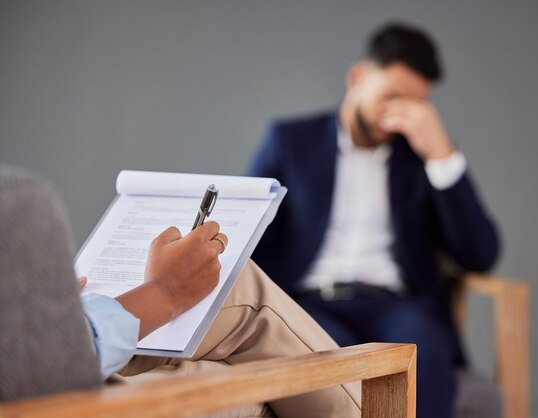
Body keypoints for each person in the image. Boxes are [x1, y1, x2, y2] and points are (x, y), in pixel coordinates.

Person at [247, 22, 500, 418]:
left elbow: (480, 254)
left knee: (422, 351)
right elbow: (247, 234)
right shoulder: (291, 141)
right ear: (358, 78)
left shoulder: (421, 154)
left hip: (396, 305)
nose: (398, 115)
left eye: (414, 105)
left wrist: (442, 156)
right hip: (312, 304)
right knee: (329, 361)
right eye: (390, 96)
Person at [0, 164, 360, 418]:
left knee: (235, 379)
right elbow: (44, 368)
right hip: (47, 396)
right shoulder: (20, 201)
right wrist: (163, 292)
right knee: (236, 291)